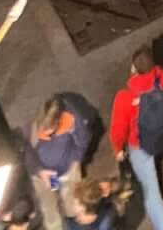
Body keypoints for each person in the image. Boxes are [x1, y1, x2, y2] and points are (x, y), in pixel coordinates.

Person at [108, 48, 163, 230]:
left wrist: (117, 149)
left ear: (133, 68)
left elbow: (118, 129)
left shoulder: (125, 97)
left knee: (151, 195)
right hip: (160, 136)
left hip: (140, 146)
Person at [28, 93, 97, 230]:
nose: (45, 134)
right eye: (43, 130)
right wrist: (39, 170)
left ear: (59, 121)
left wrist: (76, 160)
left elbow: (83, 142)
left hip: (66, 172)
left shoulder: (72, 121)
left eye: (50, 131)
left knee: (71, 207)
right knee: (50, 209)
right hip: (44, 176)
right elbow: (28, 151)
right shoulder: (35, 127)